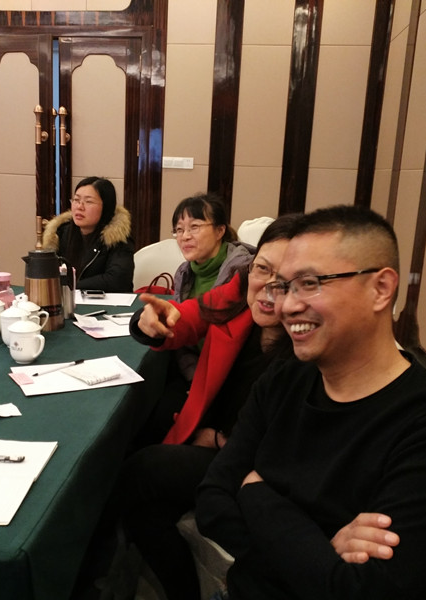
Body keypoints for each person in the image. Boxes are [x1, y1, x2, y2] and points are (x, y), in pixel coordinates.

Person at [195, 204, 426, 599]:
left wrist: (255, 493)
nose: (286, 305)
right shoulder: (282, 381)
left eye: (310, 283)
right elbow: (212, 502)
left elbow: (361, 590)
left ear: (380, 289)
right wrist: (318, 553)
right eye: (284, 286)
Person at [116, 215, 297, 600]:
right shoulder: (241, 290)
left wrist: (217, 439)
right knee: (140, 485)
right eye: (263, 268)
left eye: (290, 278)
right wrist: (150, 321)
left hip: (248, 462)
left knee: (139, 471)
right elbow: (192, 314)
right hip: (214, 431)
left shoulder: (309, 345)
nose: (269, 286)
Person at [42, 176, 134, 293]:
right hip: (67, 299)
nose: (79, 207)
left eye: (88, 202)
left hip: (107, 302)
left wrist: (71, 285)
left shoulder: (118, 238)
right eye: (76, 200)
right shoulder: (61, 233)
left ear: (106, 207)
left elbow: (117, 280)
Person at [171, 193, 254, 302]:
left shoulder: (244, 271)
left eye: (194, 227)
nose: (185, 236)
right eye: (179, 229)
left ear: (219, 231)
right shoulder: (183, 273)